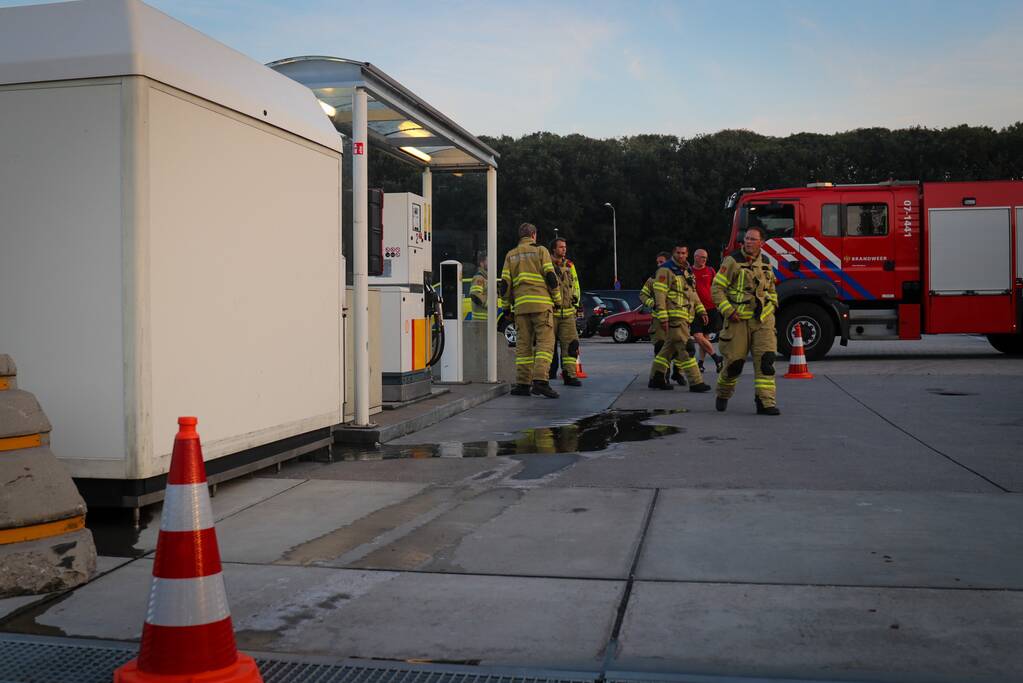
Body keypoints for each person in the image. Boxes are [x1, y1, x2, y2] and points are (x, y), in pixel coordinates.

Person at [711, 224, 781, 415]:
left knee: (766, 361)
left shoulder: (766, 262)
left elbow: (772, 290)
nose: (748, 242)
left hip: (763, 321)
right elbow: (717, 289)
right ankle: (723, 393)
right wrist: (728, 311)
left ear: (762, 243)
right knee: (734, 364)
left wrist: (773, 305)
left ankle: (766, 402)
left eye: (753, 239)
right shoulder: (732, 261)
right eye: (747, 238)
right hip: (738, 321)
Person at [500, 223, 561, 398]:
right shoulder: (541, 251)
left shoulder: (510, 255)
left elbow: (504, 285)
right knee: (545, 344)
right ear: (533, 235)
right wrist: (557, 300)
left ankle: (522, 384)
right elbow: (551, 277)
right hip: (541, 305)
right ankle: (541, 381)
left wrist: (506, 307)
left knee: (523, 347)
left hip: (521, 307)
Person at [649, 244, 712, 392]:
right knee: (687, 349)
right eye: (678, 253)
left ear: (687, 254)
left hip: (685, 316)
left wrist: (701, 310)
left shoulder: (687, 270)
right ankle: (696, 382)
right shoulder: (665, 269)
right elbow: (660, 295)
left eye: (683, 253)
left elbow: (692, 293)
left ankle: (656, 378)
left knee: (667, 350)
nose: (681, 255)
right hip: (674, 316)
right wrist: (663, 317)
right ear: (673, 253)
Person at [640, 251, 685, 386]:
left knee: (678, 348)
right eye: (658, 262)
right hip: (659, 320)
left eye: (662, 262)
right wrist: (652, 303)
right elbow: (643, 295)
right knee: (661, 348)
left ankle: (678, 373)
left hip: (676, 318)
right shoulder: (653, 279)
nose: (659, 264)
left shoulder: (677, 276)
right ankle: (661, 377)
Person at [549, 237, 582, 386]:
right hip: (552, 312)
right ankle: (545, 376)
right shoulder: (546, 265)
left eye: (565, 247)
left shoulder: (570, 265)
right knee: (547, 347)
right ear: (554, 249)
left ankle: (569, 375)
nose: (564, 249)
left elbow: (575, 285)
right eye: (561, 247)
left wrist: (576, 304)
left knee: (571, 345)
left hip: (567, 312)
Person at [690, 248, 724, 373]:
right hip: (695, 309)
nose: (704, 259)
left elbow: (716, 287)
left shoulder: (710, 270)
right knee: (697, 336)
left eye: (705, 257)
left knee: (705, 337)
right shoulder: (689, 271)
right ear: (695, 257)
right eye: (702, 257)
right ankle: (716, 357)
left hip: (710, 308)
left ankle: (701, 363)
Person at [470, 252, 488, 322]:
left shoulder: (485, 278)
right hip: (480, 322)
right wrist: (489, 304)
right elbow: (475, 295)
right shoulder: (479, 278)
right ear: (482, 263)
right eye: (487, 261)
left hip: (485, 321)